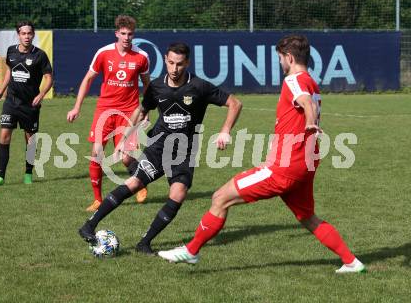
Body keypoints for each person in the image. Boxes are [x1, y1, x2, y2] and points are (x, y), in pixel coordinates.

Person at [158, 35, 366, 274]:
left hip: (284, 169)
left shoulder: (294, 80)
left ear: (289, 57)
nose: (280, 63)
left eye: (280, 58)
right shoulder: (310, 80)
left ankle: (191, 251)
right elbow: (307, 101)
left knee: (220, 198)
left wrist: (309, 121)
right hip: (304, 166)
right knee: (307, 216)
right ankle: (351, 261)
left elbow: (306, 103)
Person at [78, 42, 243, 255]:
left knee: (178, 193)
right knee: (134, 183)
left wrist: (225, 130)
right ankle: (89, 226)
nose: (175, 69)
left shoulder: (199, 86)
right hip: (158, 147)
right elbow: (141, 110)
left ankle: (144, 243)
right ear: (165, 59)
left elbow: (235, 103)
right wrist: (123, 139)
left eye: (180, 64)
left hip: (184, 151)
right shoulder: (156, 86)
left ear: (188, 63)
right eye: (171, 63)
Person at [67, 15, 150, 211]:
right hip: (104, 110)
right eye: (123, 34)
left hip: (129, 111)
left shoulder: (142, 56)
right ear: (117, 34)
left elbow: (147, 85)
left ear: (133, 35)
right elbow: (88, 79)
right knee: (96, 153)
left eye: (130, 34)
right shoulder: (103, 53)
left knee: (126, 158)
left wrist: (145, 110)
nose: (127, 37)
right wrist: (77, 107)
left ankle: (141, 184)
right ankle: (97, 199)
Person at [0, 21, 53, 187]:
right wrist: (1, 91)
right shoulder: (11, 51)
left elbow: (49, 78)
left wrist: (41, 94)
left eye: (29, 33)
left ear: (33, 34)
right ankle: (0, 177)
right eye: (23, 33)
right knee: (4, 136)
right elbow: (10, 70)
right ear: (18, 35)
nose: (27, 36)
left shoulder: (40, 55)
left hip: (30, 104)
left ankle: (28, 174)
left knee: (30, 140)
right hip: (11, 101)